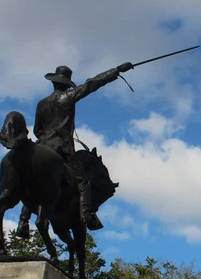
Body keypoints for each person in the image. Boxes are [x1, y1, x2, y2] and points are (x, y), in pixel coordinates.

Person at [16, 62, 133, 237]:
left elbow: (37, 130)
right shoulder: (68, 97)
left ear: (54, 82)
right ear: (66, 84)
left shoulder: (41, 104)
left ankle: (23, 221)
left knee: (34, 181)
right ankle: (86, 215)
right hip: (62, 148)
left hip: (42, 146)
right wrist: (116, 71)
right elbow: (92, 83)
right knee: (84, 182)